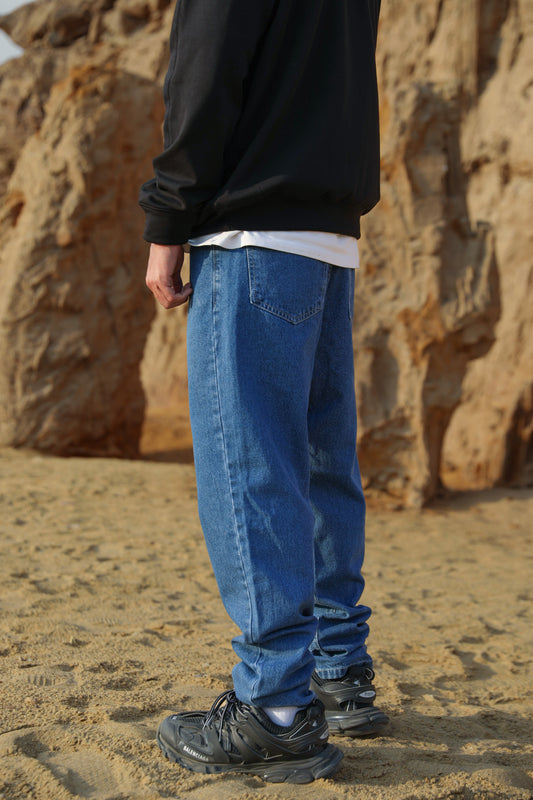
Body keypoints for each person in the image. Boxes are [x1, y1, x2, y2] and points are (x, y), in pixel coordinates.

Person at [139, 0, 386, 784]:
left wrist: (166, 220)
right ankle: (337, 670)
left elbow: (204, 75)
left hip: (251, 234)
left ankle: (276, 709)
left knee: (251, 470)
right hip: (328, 237)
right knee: (318, 465)